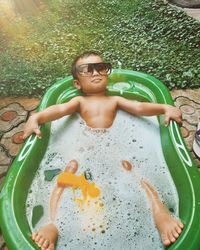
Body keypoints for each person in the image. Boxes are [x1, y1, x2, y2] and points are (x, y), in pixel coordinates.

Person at [23, 51, 183, 249]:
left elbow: (139, 107)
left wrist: (164, 108)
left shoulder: (114, 100)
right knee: (68, 173)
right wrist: (35, 118)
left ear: (107, 73)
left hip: (111, 146)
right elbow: (58, 110)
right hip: (83, 149)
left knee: (130, 168)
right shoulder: (79, 102)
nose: (95, 72)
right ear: (77, 84)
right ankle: (54, 223)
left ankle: (159, 211)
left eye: (100, 67)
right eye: (86, 70)